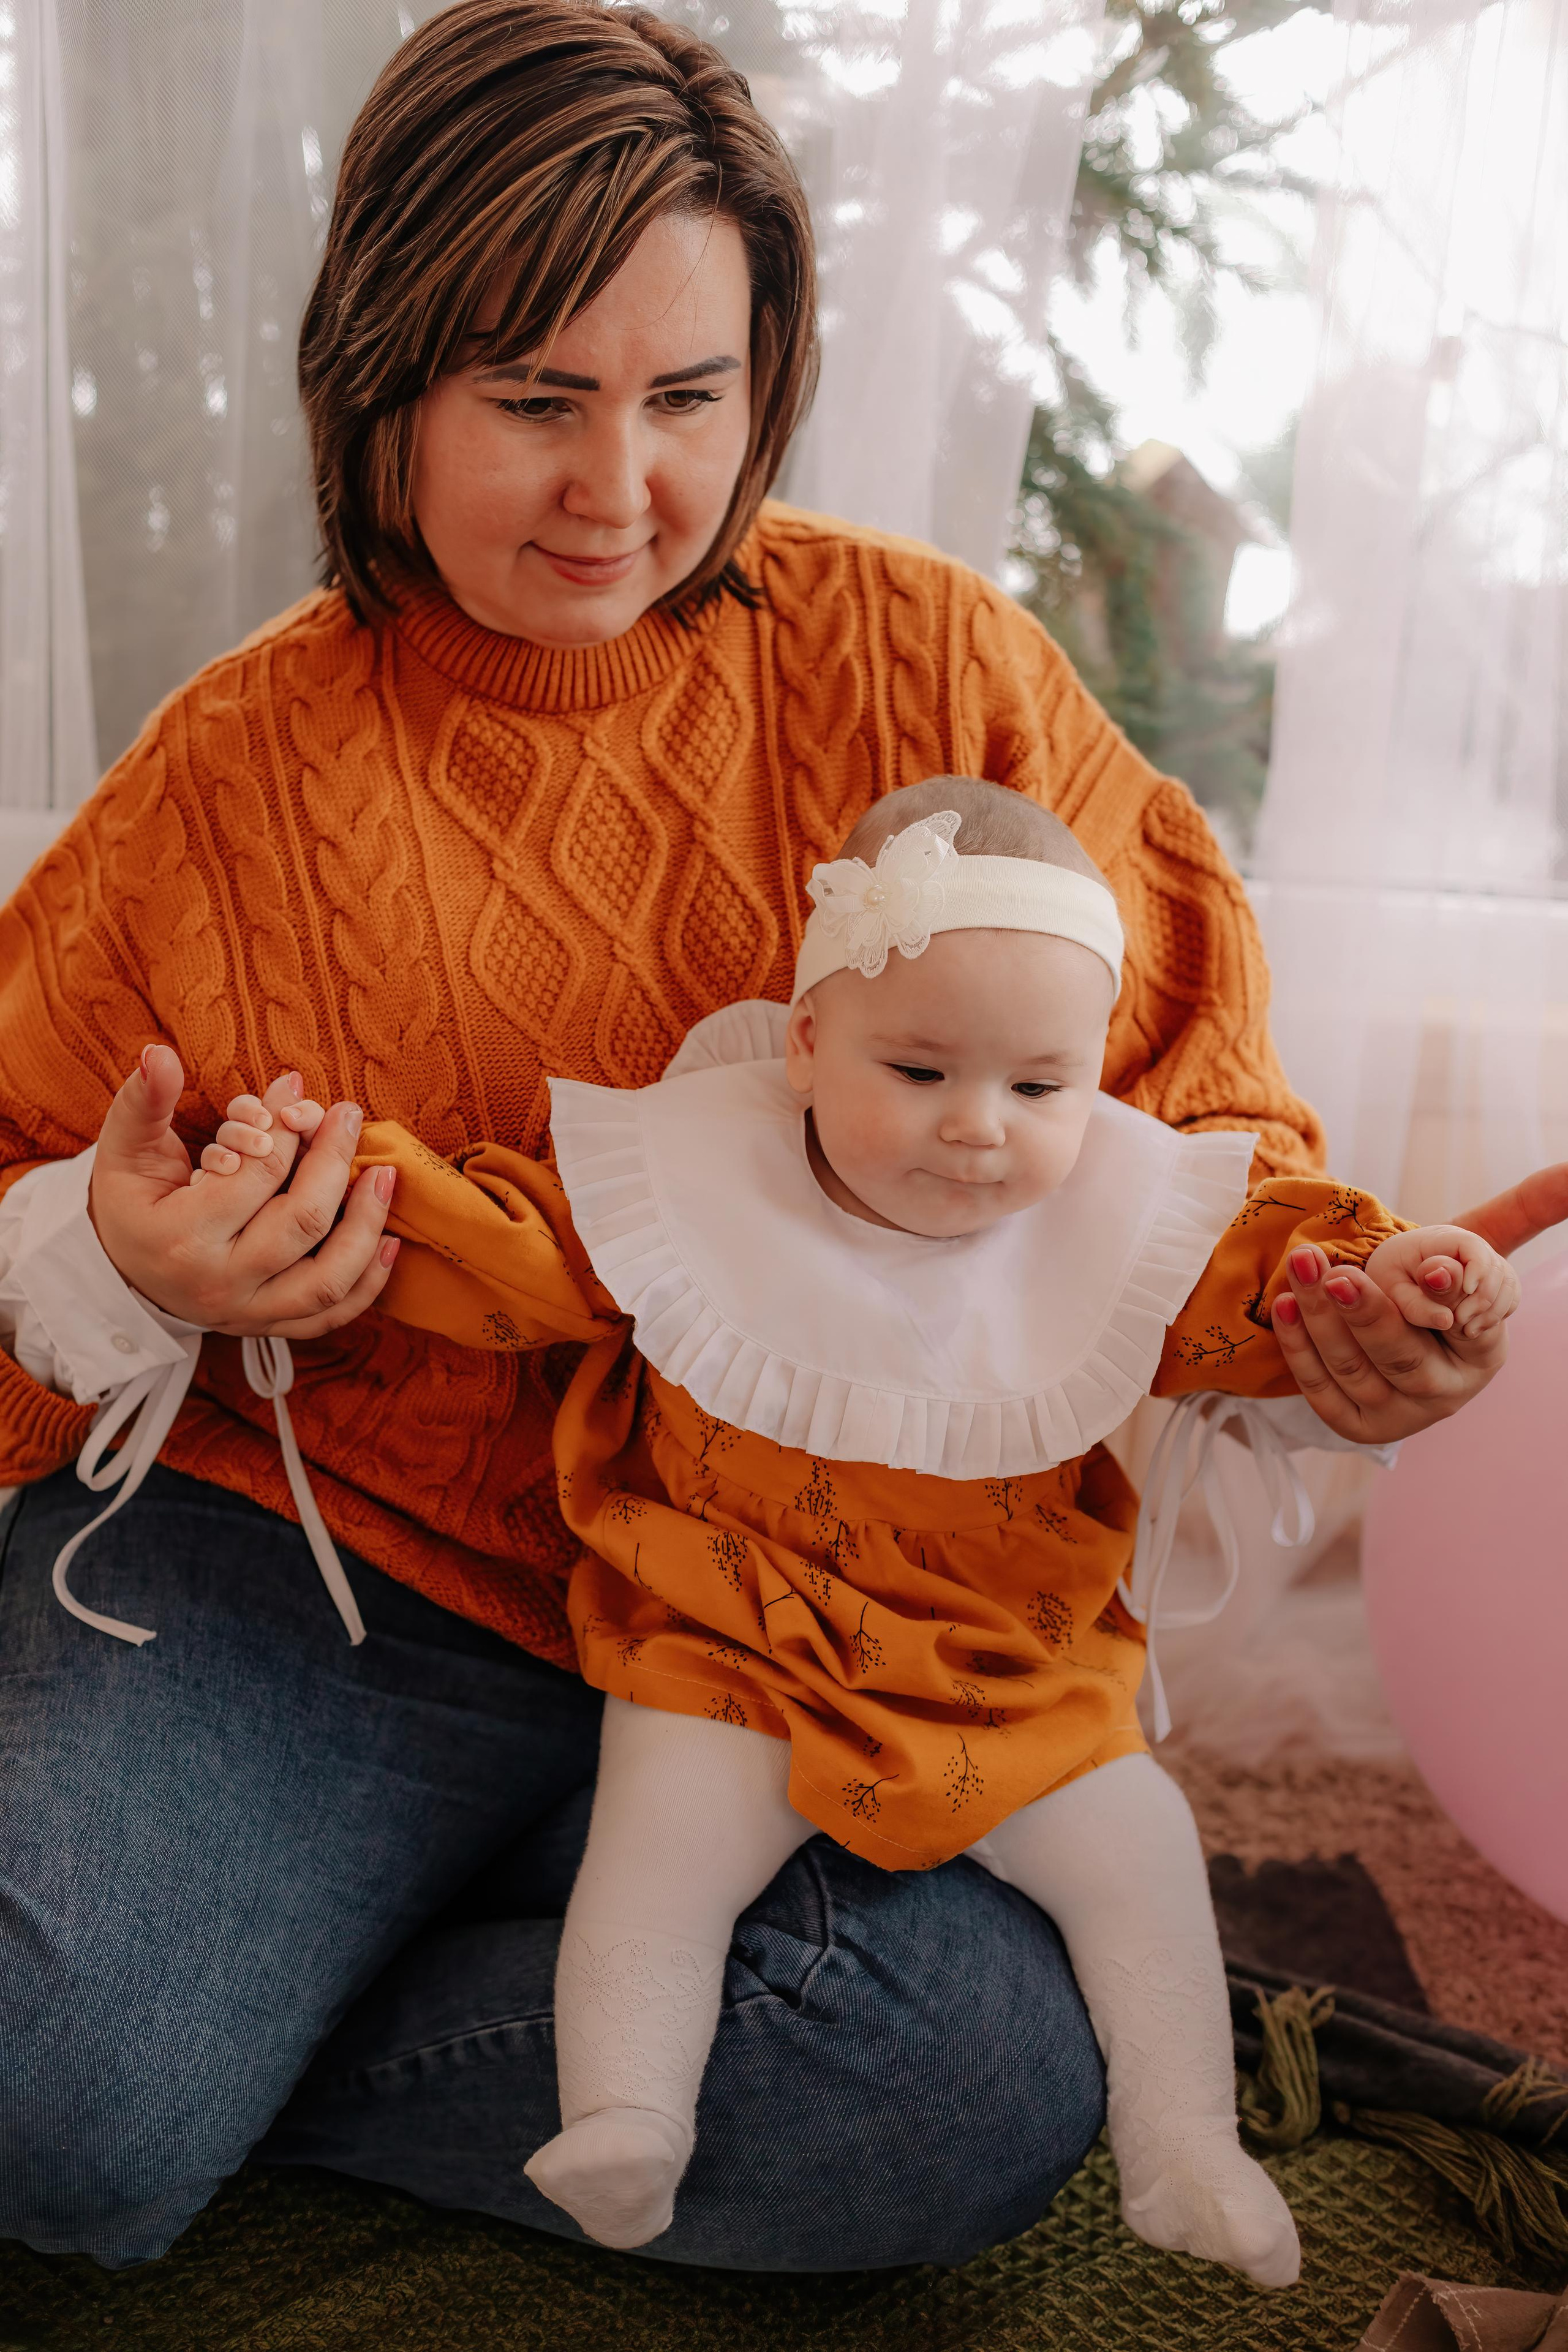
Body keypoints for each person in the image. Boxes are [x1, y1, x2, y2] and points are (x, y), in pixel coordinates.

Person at [0, 0, 1555, 2277]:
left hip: (831, 1611)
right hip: (326, 1594)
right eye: (532, 400)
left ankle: (272, 2028)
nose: (616, 488)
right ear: (383, 374)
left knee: (966, 2098)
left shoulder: (939, 678)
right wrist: (130, 1270)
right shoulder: (229, 786)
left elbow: (1189, 1124)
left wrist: (1340, 1321)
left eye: (688, 400)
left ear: (768, 381)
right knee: (57, 2104)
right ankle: (210, 2015)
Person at [207, 778, 1503, 2280]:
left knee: (1137, 1845)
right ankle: (624, 2117)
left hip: (1010, 1670)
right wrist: (332, 1183)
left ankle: (1184, 2147)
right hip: (728, 1639)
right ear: (810, 1039)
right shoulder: (700, 1171)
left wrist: (1396, 1276)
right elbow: (513, 1253)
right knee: (662, 1853)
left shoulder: (1113, 1213)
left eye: (1038, 1089)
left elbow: (1271, 1287)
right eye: (919, 1069)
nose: (975, 1132)